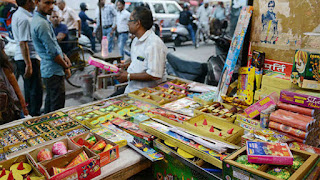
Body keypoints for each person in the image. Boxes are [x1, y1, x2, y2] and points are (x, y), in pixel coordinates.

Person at [115, 6, 167, 94]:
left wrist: (128, 76)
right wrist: (126, 65)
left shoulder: (154, 44)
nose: (128, 24)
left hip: (147, 94)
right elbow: (138, 59)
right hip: (131, 89)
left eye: (130, 20)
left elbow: (155, 75)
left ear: (138, 23)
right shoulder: (136, 40)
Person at [31, 0, 71, 114]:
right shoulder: (42, 23)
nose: (51, 6)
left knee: (50, 105)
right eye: (47, 3)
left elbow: (53, 46)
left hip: (50, 70)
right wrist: (66, 67)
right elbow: (53, 53)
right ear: (37, 2)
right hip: (53, 70)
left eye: (52, 2)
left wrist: (63, 55)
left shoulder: (41, 20)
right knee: (56, 109)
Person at [11, 0, 43, 116]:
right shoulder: (24, 18)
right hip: (28, 58)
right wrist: (29, 64)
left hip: (25, 57)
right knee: (36, 89)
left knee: (30, 87)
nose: (35, 3)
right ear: (28, 2)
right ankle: (35, 114)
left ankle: (30, 112)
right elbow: (23, 43)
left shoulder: (19, 14)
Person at [0, 38, 29, 124]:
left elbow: (14, 83)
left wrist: (23, 105)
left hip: (9, 108)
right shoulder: (5, 67)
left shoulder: (4, 67)